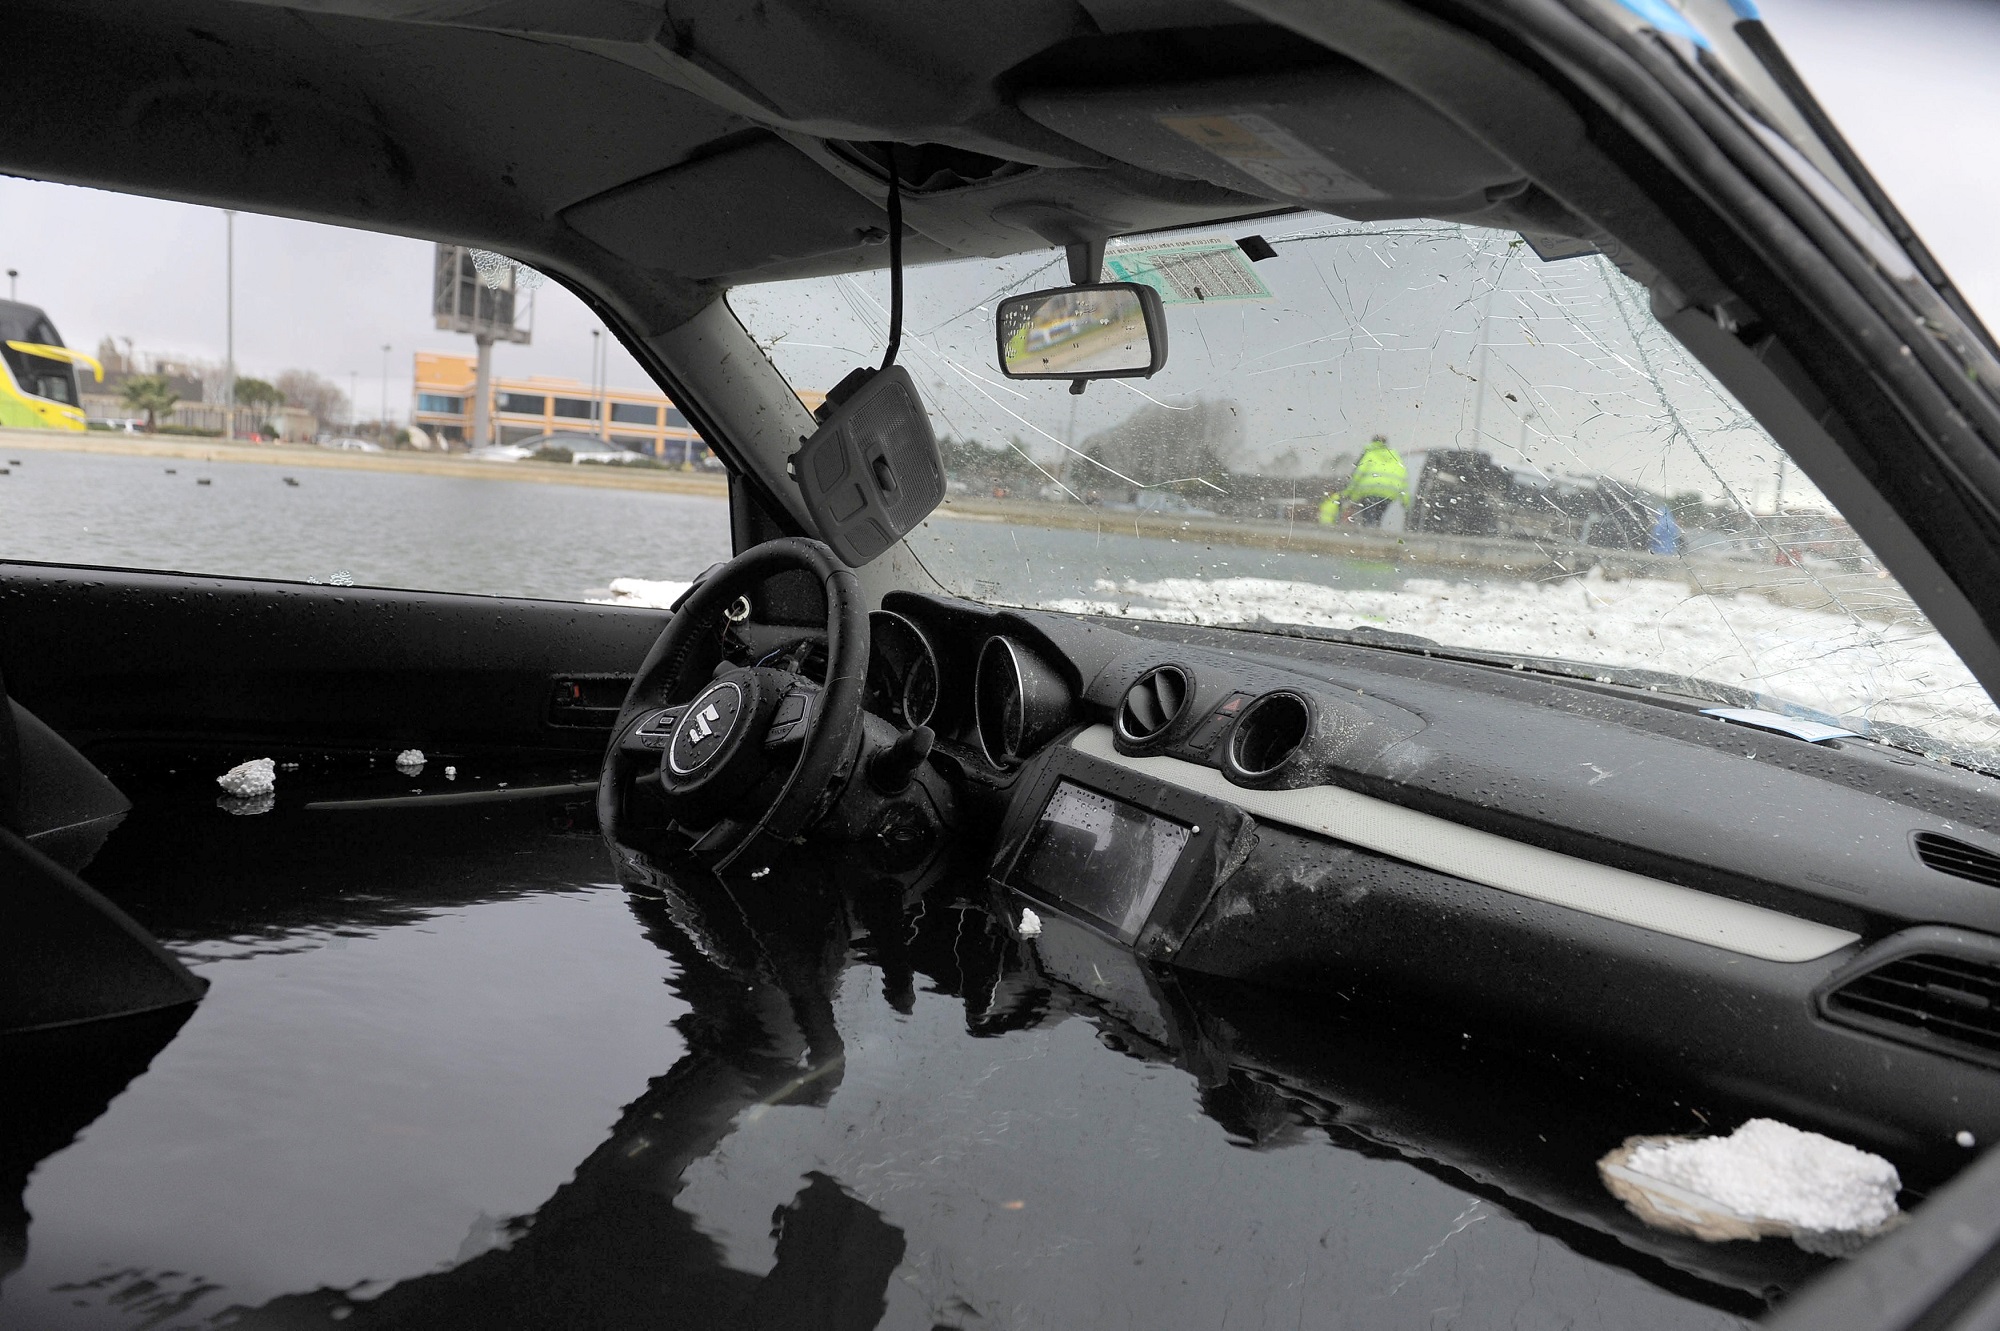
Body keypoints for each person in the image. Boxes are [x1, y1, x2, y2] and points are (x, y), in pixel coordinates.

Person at [1324, 435, 1408, 527]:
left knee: (1368, 517)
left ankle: (1368, 533)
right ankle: (1375, 531)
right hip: (1389, 493)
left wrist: (1349, 494)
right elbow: (1404, 479)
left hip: (1369, 491)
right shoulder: (1395, 456)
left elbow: (1357, 476)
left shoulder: (1369, 454)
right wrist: (1405, 501)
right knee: (1378, 516)